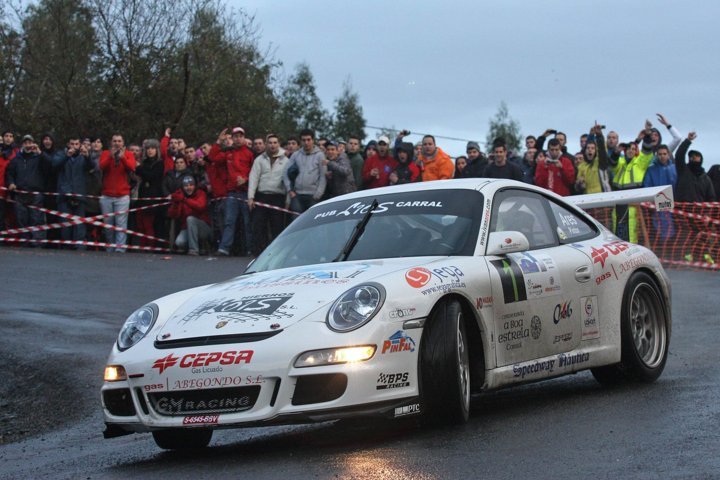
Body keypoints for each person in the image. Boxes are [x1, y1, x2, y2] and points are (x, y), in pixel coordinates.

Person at [208, 126, 254, 256]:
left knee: (247, 223)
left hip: (246, 193)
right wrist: (218, 142)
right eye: (235, 136)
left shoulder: (249, 153)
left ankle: (250, 249)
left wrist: (246, 180)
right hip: (232, 193)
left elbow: (255, 172)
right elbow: (212, 158)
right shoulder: (228, 152)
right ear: (232, 138)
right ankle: (224, 248)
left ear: (244, 137)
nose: (238, 139)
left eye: (240, 136)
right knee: (229, 222)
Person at [674, 132, 716, 263]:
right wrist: (688, 140)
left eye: (696, 157)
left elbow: (711, 198)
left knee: (702, 235)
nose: (693, 159)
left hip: (700, 213)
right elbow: (679, 155)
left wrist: (708, 214)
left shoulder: (706, 178)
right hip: (682, 211)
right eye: (691, 157)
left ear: (701, 159)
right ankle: (686, 256)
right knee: (685, 234)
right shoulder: (683, 170)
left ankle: (704, 256)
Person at [5, 135, 50, 246]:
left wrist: (40, 152)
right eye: (25, 143)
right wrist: (11, 183)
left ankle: (37, 244)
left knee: (37, 219)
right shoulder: (16, 159)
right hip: (20, 193)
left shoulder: (39, 157)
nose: (28, 145)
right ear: (22, 145)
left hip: (35, 193)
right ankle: (24, 243)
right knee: (21, 219)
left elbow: (50, 166)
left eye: (30, 143)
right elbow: (9, 173)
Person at [248, 134, 288, 256]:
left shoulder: (286, 161)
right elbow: (253, 178)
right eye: (270, 143)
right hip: (262, 196)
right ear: (266, 144)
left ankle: (277, 253)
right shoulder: (259, 160)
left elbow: (288, 182)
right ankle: (260, 253)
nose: (272, 145)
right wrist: (250, 197)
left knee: (277, 226)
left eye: (275, 142)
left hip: (278, 197)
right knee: (259, 226)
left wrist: (288, 201)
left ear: (279, 144)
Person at [52, 136, 95, 248]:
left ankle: (79, 249)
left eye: (76, 144)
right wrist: (67, 156)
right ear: (68, 144)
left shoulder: (83, 156)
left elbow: (92, 166)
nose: (74, 147)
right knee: (65, 228)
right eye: (72, 144)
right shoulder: (61, 154)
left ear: (80, 145)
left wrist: (87, 156)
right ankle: (66, 249)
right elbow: (55, 165)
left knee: (79, 228)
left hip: (79, 196)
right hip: (64, 196)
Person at [98, 133, 136, 252]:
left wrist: (123, 157)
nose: (117, 143)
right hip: (107, 195)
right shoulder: (105, 153)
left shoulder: (129, 154)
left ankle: (120, 249)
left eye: (119, 141)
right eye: (115, 141)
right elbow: (101, 167)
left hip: (122, 195)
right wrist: (110, 156)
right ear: (111, 142)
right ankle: (110, 247)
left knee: (121, 224)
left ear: (123, 143)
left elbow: (132, 167)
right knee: (108, 225)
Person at [283, 128, 326, 214]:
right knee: (296, 219)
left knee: (311, 221)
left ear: (313, 140)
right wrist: (290, 190)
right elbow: (285, 173)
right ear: (301, 141)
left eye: (308, 140)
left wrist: (318, 194)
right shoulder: (295, 155)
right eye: (303, 140)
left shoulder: (320, 156)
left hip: (313, 196)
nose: (306, 142)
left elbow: (323, 176)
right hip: (297, 195)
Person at [168, 175, 211, 255]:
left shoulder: (201, 193)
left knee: (190, 219)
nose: (189, 188)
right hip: (187, 228)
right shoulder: (181, 195)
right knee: (179, 242)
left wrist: (185, 200)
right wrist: (175, 204)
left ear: (195, 186)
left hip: (203, 227)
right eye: (186, 186)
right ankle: (198, 246)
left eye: (191, 185)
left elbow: (200, 207)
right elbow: (173, 215)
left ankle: (194, 249)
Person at [135, 139, 166, 248]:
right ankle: (143, 245)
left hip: (153, 198)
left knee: (149, 224)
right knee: (141, 224)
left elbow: (152, 176)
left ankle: (150, 246)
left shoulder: (160, 163)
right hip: (142, 196)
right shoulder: (144, 162)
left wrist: (140, 169)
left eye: (152, 148)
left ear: (157, 150)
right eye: (148, 148)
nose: (150, 150)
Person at [576, 124, 612, 194]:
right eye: (588, 148)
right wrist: (579, 183)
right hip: (587, 197)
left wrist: (599, 135)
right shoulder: (581, 166)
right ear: (585, 151)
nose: (590, 150)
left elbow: (602, 150)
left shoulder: (600, 162)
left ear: (596, 151)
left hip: (602, 196)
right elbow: (578, 188)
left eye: (592, 148)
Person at [0, 130, 18, 231]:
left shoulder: (17, 152)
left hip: (13, 190)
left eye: (11, 136)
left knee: (13, 217)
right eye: (6, 136)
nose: (8, 138)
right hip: (1, 190)